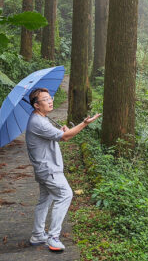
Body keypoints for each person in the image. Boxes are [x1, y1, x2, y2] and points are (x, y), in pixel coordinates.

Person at [25, 87, 101, 252]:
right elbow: (66, 137)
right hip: (49, 170)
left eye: (49, 97)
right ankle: (53, 237)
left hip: (44, 169)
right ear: (36, 105)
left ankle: (38, 235)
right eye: (45, 99)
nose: (50, 100)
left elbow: (59, 136)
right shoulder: (38, 122)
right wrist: (84, 124)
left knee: (45, 200)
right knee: (65, 194)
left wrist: (60, 132)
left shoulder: (41, 119)